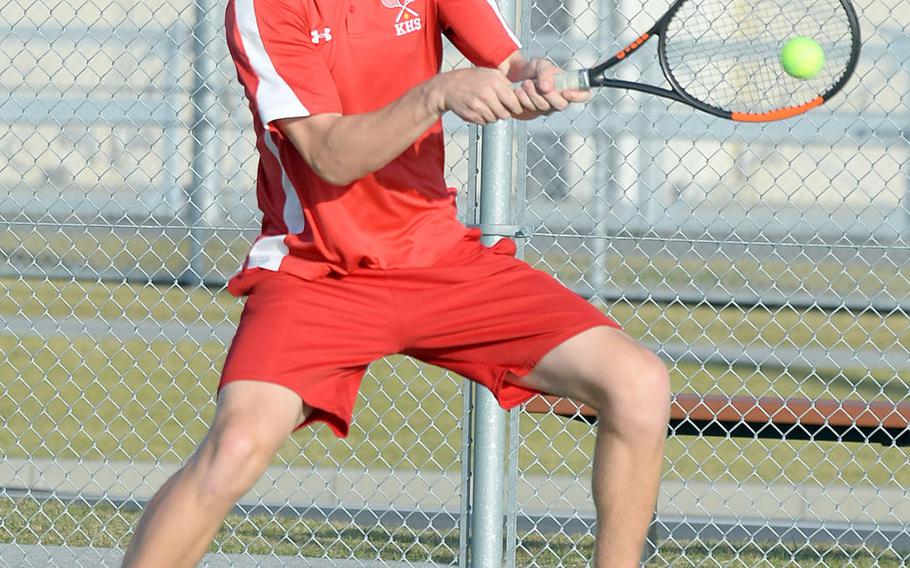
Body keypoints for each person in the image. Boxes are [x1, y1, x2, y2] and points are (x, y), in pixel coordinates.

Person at [122, 0, 670, 565]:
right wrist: (438, 93)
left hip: (439, 262)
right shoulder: (263, 9)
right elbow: (330, 155)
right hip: (317, 274)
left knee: (638, 385)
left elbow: (507, 67)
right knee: (233, 449)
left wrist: (532, 83)